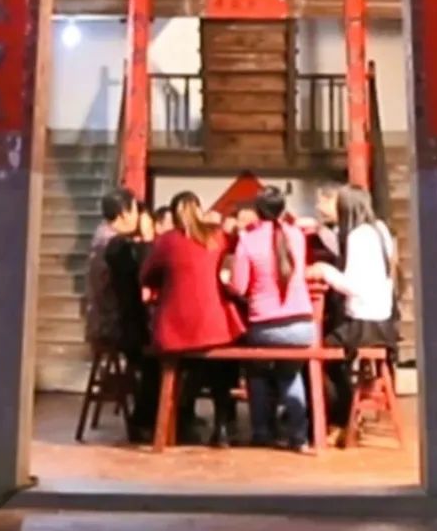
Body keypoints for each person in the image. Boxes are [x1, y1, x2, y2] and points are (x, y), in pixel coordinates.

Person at [140, 190, 244, 445]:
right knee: (222, 368)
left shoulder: (167, 241)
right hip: (216, 327)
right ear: (200, 210)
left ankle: (181, 422)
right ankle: (222, 426)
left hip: (176, 329)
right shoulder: (217, 237)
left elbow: (147, 275)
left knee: (182, 368)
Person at [229, 186, 315, 451]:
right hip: (303, 325)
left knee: (256, 371)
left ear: (257, 210)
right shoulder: (297, 236)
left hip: (265, 325)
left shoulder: (248, 240)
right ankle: (299, 436)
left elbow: (239, 287)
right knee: (290, 374)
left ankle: (262, 431)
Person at [306, 184, 397, 430]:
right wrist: (321, 230)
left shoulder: (358, 236)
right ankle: (343, 415)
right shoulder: (379, 229)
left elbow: (353, 285)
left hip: (362, 324)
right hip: (383, 322)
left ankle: (337, 417)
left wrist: (325, 270)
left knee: (316, 353)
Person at [104, 207, 158, 440]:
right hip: (131, 328)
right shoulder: (117, 247)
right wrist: (147, 241)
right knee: (156, 363)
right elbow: (145, 278)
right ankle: (145, 422)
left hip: (137, 324)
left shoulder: (128, 248)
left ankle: (167, 419)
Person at [85, 187, 138, 348]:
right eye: (135, 211)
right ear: (123, 213)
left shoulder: (100, 238)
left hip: (99, 321)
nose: (137, 217)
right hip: (113, 324)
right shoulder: (115, 244)